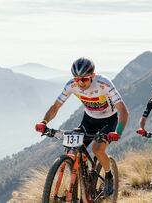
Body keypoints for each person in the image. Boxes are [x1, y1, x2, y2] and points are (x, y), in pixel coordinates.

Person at [35, 57, 129, 196]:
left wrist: (118, 132)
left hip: (108, 120)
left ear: (93, 76)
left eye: (84, 79)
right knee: (73, 150)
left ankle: (108, 176)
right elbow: (55, 107)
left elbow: (123, 111)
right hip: (89, 120)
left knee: (97, 149)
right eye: (76, 79)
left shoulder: (104, 84)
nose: (80, 83)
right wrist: (44, 122)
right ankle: (83, 180)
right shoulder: (71, 85)